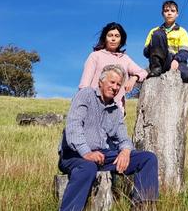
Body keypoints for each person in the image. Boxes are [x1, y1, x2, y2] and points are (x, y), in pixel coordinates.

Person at [59, 64, 159, 211]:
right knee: (88, 167)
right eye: (112, 82)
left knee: (147, 158)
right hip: (74, 154)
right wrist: (86, 152)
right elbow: (73, 126)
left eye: (119, 84)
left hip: (102, 156)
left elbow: (123, 138)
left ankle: (142, 207)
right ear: (101, 82)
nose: (115, 87)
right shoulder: (85, 95)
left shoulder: (116, 110)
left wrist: (125, 151)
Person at [79, 22, 148, 115]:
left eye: (117, 36)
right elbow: (84, 85)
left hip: (116, 110)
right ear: (105, 38)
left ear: (121, 40)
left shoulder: (125, 58)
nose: (113, 39)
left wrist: (134, 78)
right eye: (110, 35)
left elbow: (144, 72)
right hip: (94, 107)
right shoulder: (95, 56)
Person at [143, 0, 188, 83]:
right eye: (166, 11)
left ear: (177, 14)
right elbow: (146, 52)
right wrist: (153, 45)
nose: (169, 13)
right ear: (162, 14)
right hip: (159, 61)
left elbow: (185, 52)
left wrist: (176, 60)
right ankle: (156, 69)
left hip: (175, 60)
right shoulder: (154, 31)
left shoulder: (182, 31)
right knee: (158, 34)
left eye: (173, 11)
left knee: (185, 75)